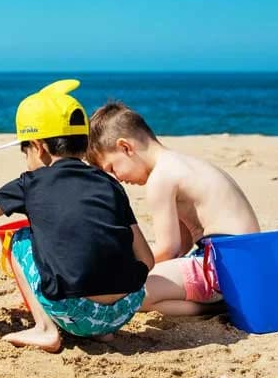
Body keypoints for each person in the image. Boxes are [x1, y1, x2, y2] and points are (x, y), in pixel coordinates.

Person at [0, 80, 153, 352]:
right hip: (125, 309)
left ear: (38, 147)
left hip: (75, 311)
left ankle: (46, 330)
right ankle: (102, 332)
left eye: (25, 151)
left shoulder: (31, 183)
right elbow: (147, 259)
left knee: (20, 238)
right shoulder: (110, 184)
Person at [87, 102, 261, 316]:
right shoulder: (182, 165)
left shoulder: (160, 179)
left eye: (112, 168)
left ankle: (219, 307)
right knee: (147, 284)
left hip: (224, 267)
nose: (118, 178)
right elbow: (182, 244)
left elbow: (168, 248)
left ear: (126, 147)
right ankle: (221, 304)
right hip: (248, 263)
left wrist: (124, 270)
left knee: (133, 294)